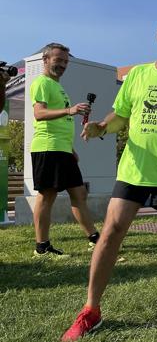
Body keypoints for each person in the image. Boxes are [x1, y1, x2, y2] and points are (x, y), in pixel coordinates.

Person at [61, 12, 157, 341]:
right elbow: (121, 116)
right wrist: (102, 126)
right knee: (111, 233)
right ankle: (91, 310)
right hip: (136, 169)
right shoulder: (137, 76)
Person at [29, 42, 99, 259]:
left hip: (62, 150)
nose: (62, 65)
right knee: (47, 195)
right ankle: (42, 247)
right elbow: (39, 114)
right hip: (47, 148)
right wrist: (70, 109)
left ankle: (94, 239)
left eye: (65, 61)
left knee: (79, 193)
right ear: (46, 59)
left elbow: (61, 121)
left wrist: (70, 149)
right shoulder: (42, 83)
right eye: (58, 60)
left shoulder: (57, 86)